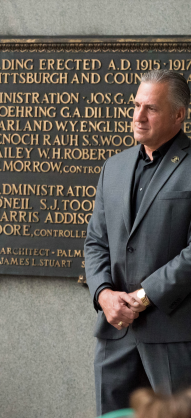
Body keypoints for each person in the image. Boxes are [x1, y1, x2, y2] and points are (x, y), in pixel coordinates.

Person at [85, 69, 191, 415]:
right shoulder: (113, 168)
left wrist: (143, 297)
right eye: (136, 105)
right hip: (115, 335)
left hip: (174, 337)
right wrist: (103, 294)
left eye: (152, 108)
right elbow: (96, 242)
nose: (139, 117)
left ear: (179, 114)